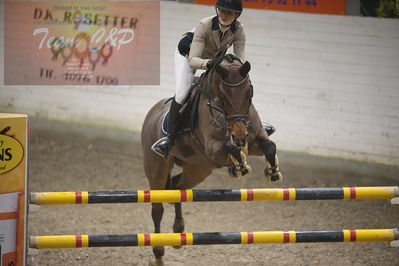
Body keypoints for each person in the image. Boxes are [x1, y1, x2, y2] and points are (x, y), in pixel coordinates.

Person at [152, 0, 246, 158]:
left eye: (229, 12)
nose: (224, 15)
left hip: (213, 58)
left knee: (236, 88)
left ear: (236, 15)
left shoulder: (239, 30)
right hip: (187, 55)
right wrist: (210, 63)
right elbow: (193, 60)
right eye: (222, 10)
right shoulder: (205, 25)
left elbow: (239, 60)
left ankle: (254, 128)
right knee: (182, 93)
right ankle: (168, 139)